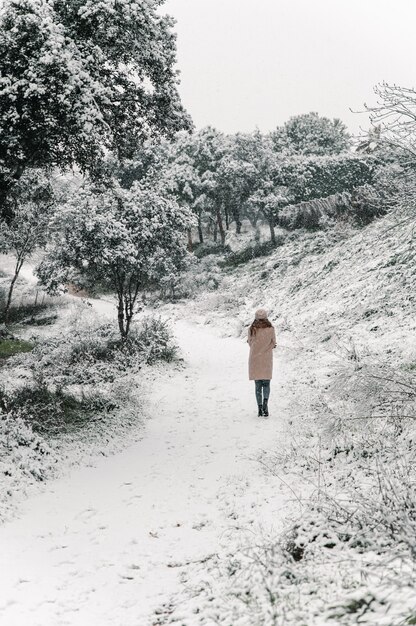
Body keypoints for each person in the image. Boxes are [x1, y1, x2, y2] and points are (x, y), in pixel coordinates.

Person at [247, 308, 277, 417]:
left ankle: (259, 408)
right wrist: (267, 348)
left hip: (255, 358)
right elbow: (273, 343)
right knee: (267, 383)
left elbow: (250, 342)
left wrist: (257, 349)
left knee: (258, 385)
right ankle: (265, 404)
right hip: (266, 359)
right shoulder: (270, 329)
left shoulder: (252, 329)